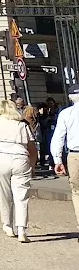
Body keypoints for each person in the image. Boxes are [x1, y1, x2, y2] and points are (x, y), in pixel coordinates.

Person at [0, 97, 37, 242]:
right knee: (22, 196)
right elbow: (32, 148)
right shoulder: (21, 125)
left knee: (4, 194)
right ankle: (22, 229)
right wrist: (32, 165)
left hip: (0, 158)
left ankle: (7, 225)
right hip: (20, 158)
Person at [49, 82, 79, 229]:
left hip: (75, 155)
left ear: (70, 97)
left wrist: (57, 160)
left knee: (77, 192)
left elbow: (58, 138)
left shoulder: (66, 113)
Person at [36, 97, 60, 172]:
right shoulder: (41, 114)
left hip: (51, 132)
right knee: (43, 148)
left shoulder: (56, 111)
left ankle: (51, 163)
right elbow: (40, 122)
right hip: (44, 133)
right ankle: (43, 164)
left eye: (51, 103)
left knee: (51, 148)